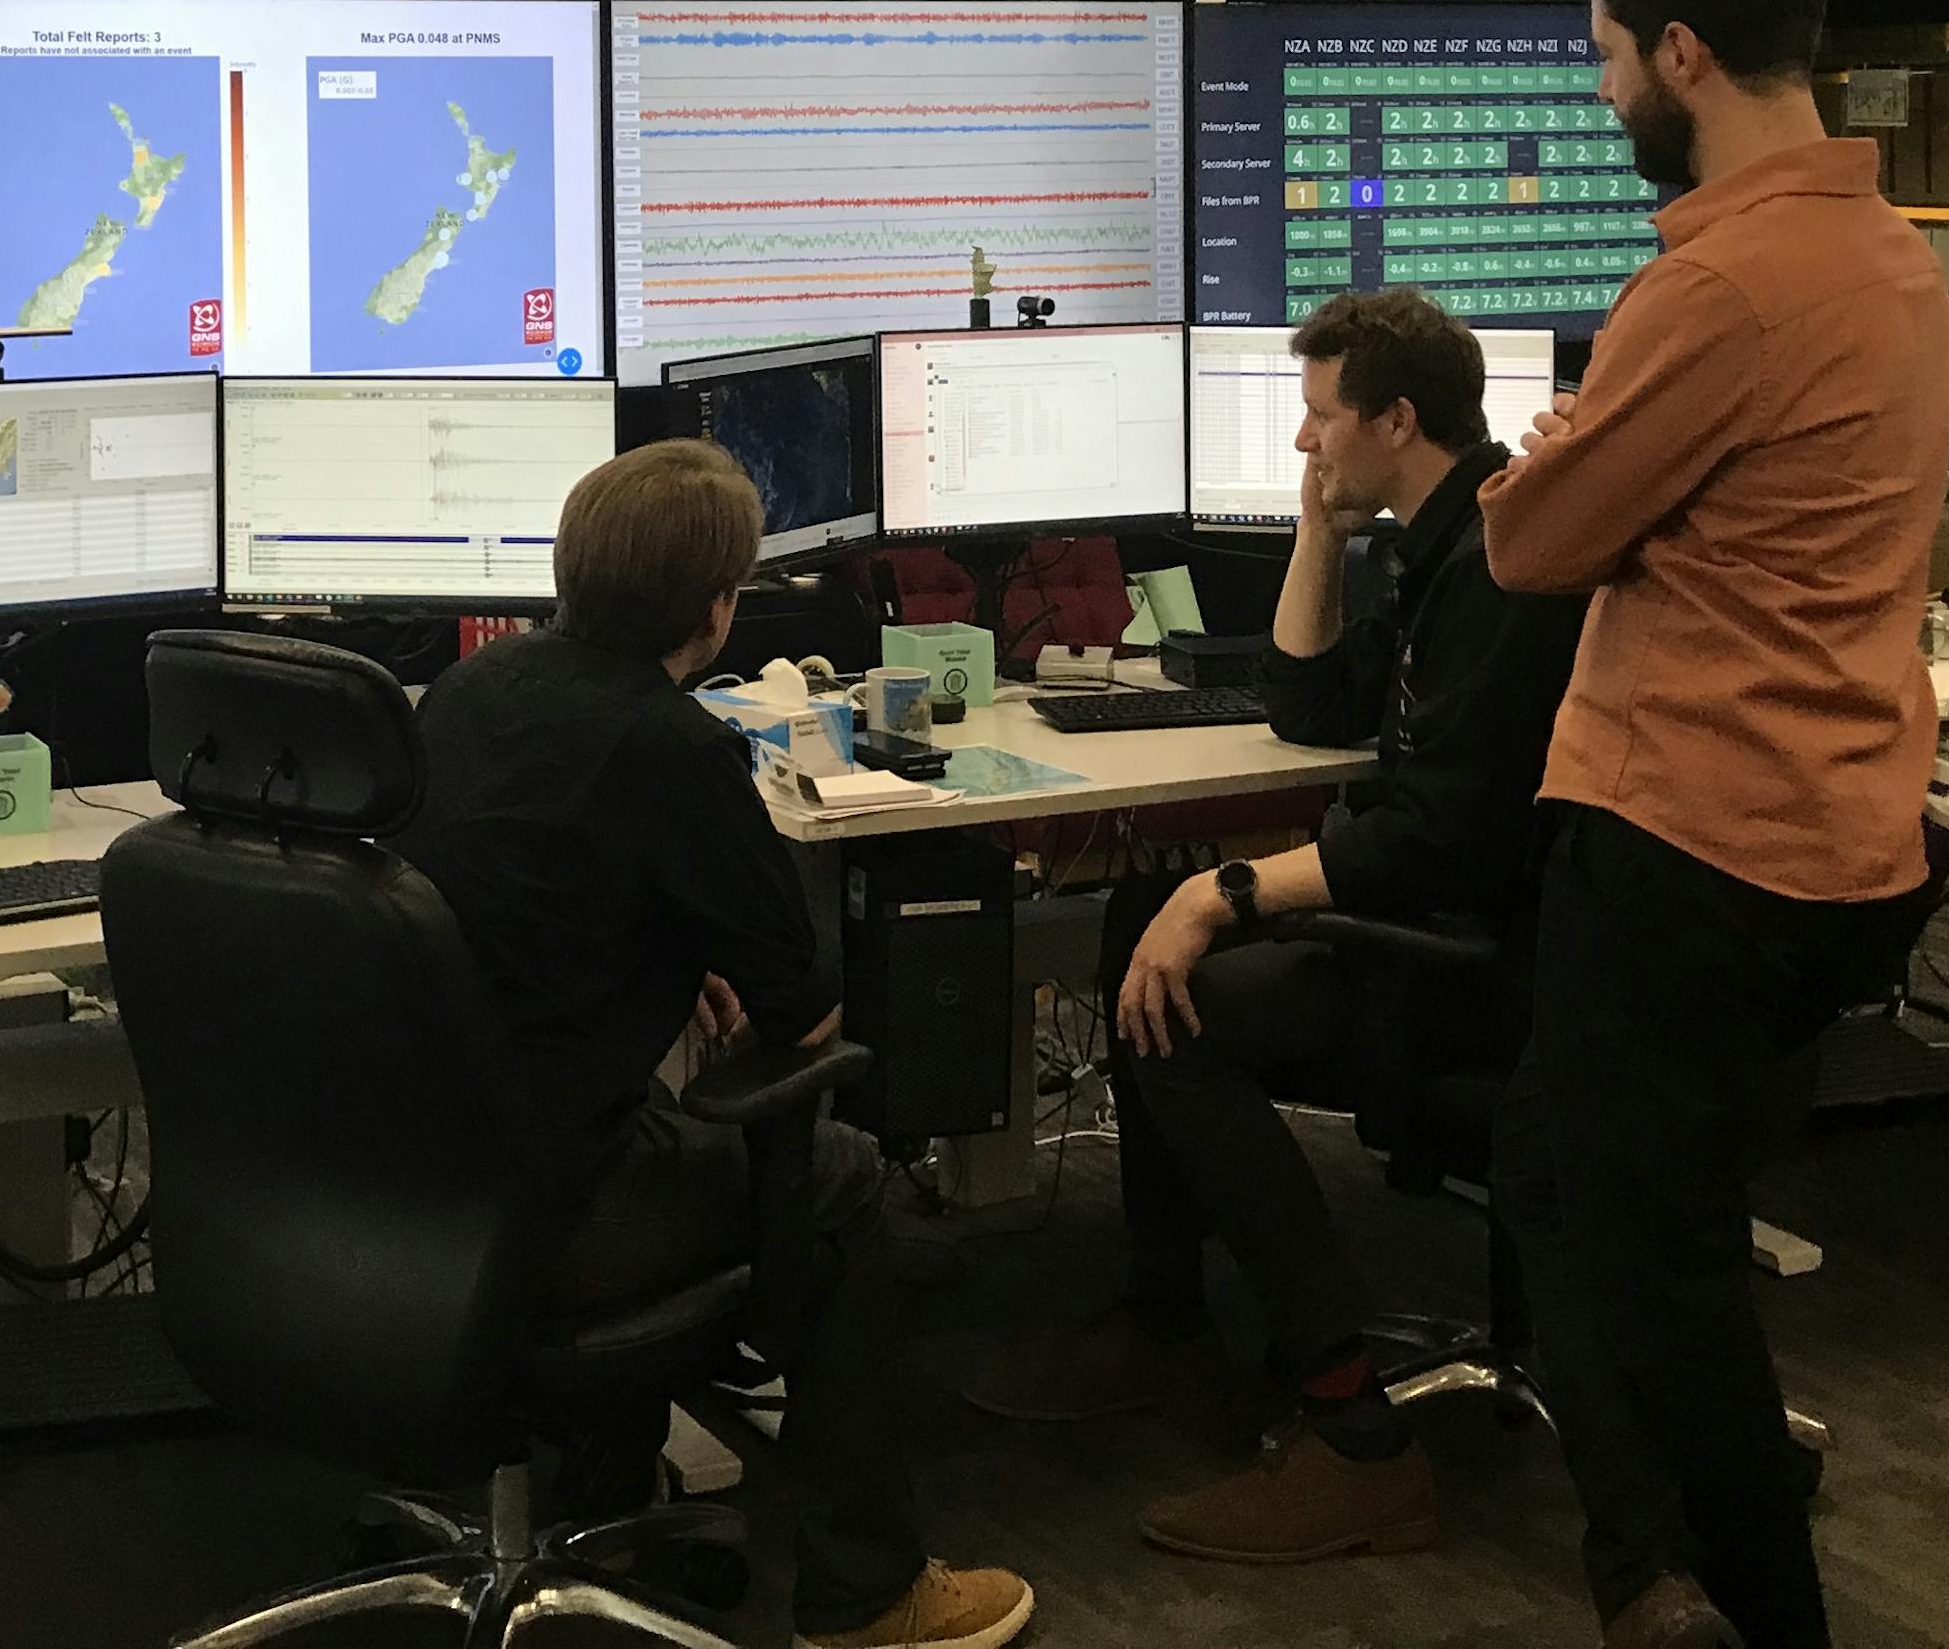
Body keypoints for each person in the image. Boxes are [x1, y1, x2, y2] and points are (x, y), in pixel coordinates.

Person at [1479, 0, 1949, 1649]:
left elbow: (1532, 547)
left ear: (1681, 53)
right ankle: (1648, 1576)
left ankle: (1756, 1611)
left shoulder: (1725, 283)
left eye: (1610, 60)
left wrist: (1556, 474)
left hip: (1694, 837)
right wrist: (1598, 476)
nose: (1608, 100)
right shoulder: (1893, 258)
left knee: (1662, 1278)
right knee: (1563, 1174)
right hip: (1838, 834)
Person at [964, 291, 1586, 1574]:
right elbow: (1308, 704)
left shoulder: (1504, 570)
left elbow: (1444, 838)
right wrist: (1319, 530)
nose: (1303, 446)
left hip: (1488, 969)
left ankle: (1350, 1427)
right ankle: (1163, 1308)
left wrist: (1229, 893)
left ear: (1397, 420)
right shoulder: (1439, 538)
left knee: (1179, 1004)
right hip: (1443, 921)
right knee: (1141, 917)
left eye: (1318, 423)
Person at [400, 439, 1035, 1649]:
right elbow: (799, 1004)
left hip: (408, 1178)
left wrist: (664, 947)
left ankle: (603, 1493)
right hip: (553, 1209)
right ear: (718, 608)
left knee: (630, 1110)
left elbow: (517, 889)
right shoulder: (671, 743)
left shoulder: (470, 694)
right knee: (839, 1175)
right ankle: (868, 1590)